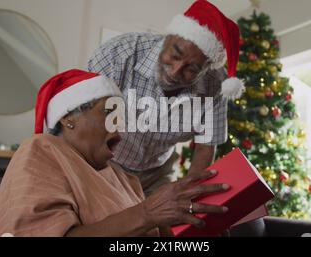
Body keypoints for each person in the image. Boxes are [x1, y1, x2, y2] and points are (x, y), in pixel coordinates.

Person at [0, 69, 229, 237]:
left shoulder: (126, 179)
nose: (120, 126)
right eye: (109, 113)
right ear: (69, 118)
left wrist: (193, 227)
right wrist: (148, 213)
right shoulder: (42, 149)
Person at [88, 0, 244, 196]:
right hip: (104, 162)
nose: (176, 71)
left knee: (164, 223)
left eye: (192, 68)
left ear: (206, 69)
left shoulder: (216, 85)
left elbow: (206, 146)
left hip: (158, 172)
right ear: (167, 37)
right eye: (175, 54)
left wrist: (189, 191)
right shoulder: (120, 53)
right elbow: (83, 118)